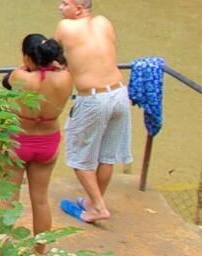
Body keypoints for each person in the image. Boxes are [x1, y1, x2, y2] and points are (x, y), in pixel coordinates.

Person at [0, 34, 73, 256]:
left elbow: (7, 83)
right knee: (41, 200)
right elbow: (65, 65)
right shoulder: (66, 77)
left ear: (27, 57)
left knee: (8, 199)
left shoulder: (20, 76)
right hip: (48, 142)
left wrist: (25, 67)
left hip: (18, 141)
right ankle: (39, 255)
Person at [54, 0, 129, 223]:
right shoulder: (104, 22)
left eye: (65, 3)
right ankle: (91, 201)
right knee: (107, 155)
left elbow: (56, 57)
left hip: (94, 97)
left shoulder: (65, 27)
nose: (60, 7)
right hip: (119, 93)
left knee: (78, 157)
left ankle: (97, 207)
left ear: (78, 8)